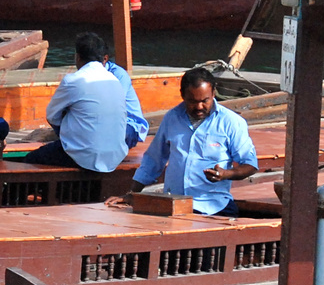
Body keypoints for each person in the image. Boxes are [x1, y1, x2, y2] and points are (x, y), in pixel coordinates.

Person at [119, 66, 257, 215]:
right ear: (182, 95)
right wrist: (132, 194)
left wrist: (225, 174)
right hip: (173, 206)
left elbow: (250, 164)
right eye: (192, 101)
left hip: (213, 207)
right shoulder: (171, 118)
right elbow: (153, 160)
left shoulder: (231, 122)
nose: (199, 107)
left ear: (214, 93)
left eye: (205, 101)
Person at [24, 32, 128, 172]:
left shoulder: (73, 80)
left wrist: (67, 131)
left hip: (84, 156)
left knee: (30, 160)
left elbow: (52, 116)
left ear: (78, 57)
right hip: (115, 155)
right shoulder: (115, 81)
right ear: (104, 59)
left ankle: (15, 194)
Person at [103, 49, 149, 149]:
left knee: (114, 138)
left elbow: (114, 105)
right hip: (104, 124)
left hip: (128, 123)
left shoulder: (118, 75)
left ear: (104, 59)